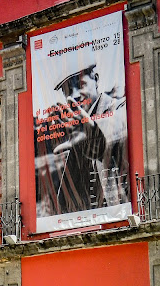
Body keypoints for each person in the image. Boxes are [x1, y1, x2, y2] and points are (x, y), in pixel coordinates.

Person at [36, 63, 129, 217]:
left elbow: (120, 124)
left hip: (120, 216)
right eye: (68, 91)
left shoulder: (119, 107)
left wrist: (95, 132)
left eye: (80, 85)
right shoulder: (74, 129)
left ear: (96, 80)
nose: (75, 95)